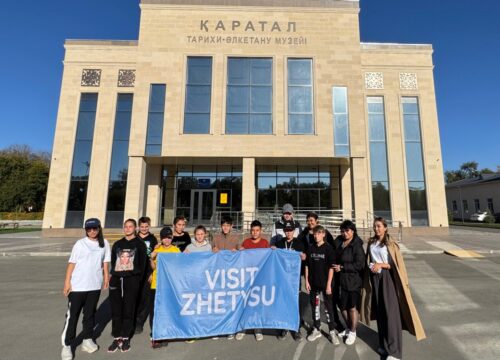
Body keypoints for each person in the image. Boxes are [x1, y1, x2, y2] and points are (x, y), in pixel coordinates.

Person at [360, 217, 426, 360]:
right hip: (375, 279)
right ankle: (384, 345)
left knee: (391, 315)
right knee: (381, 312)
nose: (376, 229)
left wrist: (381, 265)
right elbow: (369, 259)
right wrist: (372, 265)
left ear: (385, 228)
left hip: (388, 279)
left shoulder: (391, 244)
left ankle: (395, 352)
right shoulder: (371, 242)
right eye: (374, 226)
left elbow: (395, 265)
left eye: (379, 226)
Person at [61, 218, 110, 360]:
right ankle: (67, 345)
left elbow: (105, 262)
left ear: (99, 228)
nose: (92, 231)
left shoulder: (104, 243)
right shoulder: (80, 244)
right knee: (73, 316)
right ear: (86, 230)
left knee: (89, 314)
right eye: (89, 229)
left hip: (94, 286)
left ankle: (87, 339)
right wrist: (67, 282)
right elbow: (72, 263)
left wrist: (106, 277)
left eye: (94, 228)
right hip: (78, 286)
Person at [108, 219, 147, 353]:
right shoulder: (118, 244)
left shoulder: (140, 244)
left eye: (131, 226)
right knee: (116, 310)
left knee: (129, 309)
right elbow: (114, 262)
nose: (128, 229)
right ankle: (117, 336)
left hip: (132, 280)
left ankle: (125, 337)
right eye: (126, 226)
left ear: (135, 228)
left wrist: (136, 279)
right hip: (117, 280)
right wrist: (113, 276)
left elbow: (142, 264)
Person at [304, 225, 340, 346]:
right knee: (315, 307)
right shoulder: (310, 248)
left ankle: (331, 332)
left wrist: (329, 285)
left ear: (323, 234)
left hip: (325, 284)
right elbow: (307, 265)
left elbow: (331, 268)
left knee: (328, 308)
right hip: (313, 283)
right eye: (314, 234)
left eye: (319, 233)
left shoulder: (329, 249)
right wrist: (307, 281)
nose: (316, 236)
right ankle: (316, 329)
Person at [333, 220, 365, 346]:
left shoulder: (357, 245)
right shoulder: (339, 241)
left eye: (347, 230)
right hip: (340, 280)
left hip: (353, 281)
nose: (344, 233)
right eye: (342, 231)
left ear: (353, 231)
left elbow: (360, 265)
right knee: (342, 307)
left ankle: (352, 331)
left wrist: (342, 267)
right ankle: (349, 327)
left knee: (352, 308)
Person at [237, 220, 269, 341]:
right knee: (245, 303)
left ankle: (257, 327)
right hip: (247, 278)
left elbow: (270, 258)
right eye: (253, 230)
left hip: (260, 278)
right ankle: (243, 327)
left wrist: (273, 250)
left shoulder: (265, 243)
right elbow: (240, 258)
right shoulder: (246, 242)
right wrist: (239, 252)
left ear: (261, 231)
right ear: (250, 231)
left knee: (257, 303)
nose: (255, 233)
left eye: (257, 230)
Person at [274, 221, 306, 342]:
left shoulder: (299, 243)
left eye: (290, 230)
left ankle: (296, 329)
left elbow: (304, 259)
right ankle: (284, 327)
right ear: (284, 231)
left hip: (294, 279)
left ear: (294, 231)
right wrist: (273, 250)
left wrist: (304, 257)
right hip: (282, 279)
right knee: (283, 303)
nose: (288, 233)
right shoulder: (279, 243)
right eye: (286, 231)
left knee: (295, 304)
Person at [149, 226, 181, 349]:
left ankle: (166, 332)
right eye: (164, 238)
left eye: (169, 237)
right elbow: (153, 267)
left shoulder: (175, 250)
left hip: (169, 285)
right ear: (161, 239)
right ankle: (155, 335)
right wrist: (153, 255)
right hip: (156, 284)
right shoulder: (158, 249)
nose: (167, 240)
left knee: (167, 309)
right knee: (155, 311)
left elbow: (179, 266)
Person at [135, 216, 158, 335]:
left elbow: (154, 257)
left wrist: (151, 273)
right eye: (142, 226)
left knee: (145, 298)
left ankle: (139, 322)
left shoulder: (152, 239)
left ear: (149, 226)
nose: (144, 229)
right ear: (139, 226)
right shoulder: (135, 238)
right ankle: (133, 319)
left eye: (146, 226)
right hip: (135, 273)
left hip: (147, 273)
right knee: (135, 297)